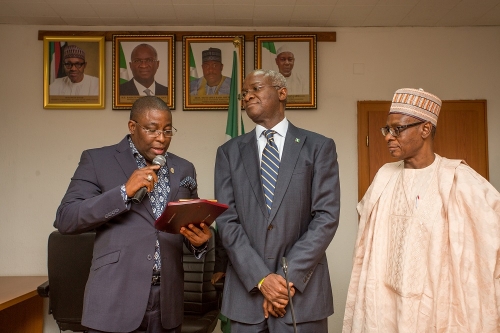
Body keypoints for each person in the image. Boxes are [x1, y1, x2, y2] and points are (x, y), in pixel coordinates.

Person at [343, 88, 500, 333]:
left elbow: (491, 235)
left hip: (438, 305)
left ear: (425, 129)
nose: (388, 137)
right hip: (385, 304)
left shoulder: (458, 178)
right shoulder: (385, 177)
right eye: (387, 129)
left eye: (398, 129)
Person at [54, 96, 212, 333]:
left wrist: (199, 243)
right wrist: (123, 193)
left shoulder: (184, 168)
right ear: (132, 126)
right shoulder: (97, 160)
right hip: (114, 298)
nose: (161, 138)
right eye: (152, 129)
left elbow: (185, 225)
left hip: (167, 303)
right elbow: (66, 219)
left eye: (168, 131)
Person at [214, 69, 340, 332]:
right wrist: (261, 279)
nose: (248, 96)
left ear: (282, 93)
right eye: (244, 93)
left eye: (256, 89)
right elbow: (227, 220)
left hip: (301, 298)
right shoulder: (228, 153)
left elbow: (326, 217)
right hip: (245, 298)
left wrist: (284, 280)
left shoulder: (318, 147)